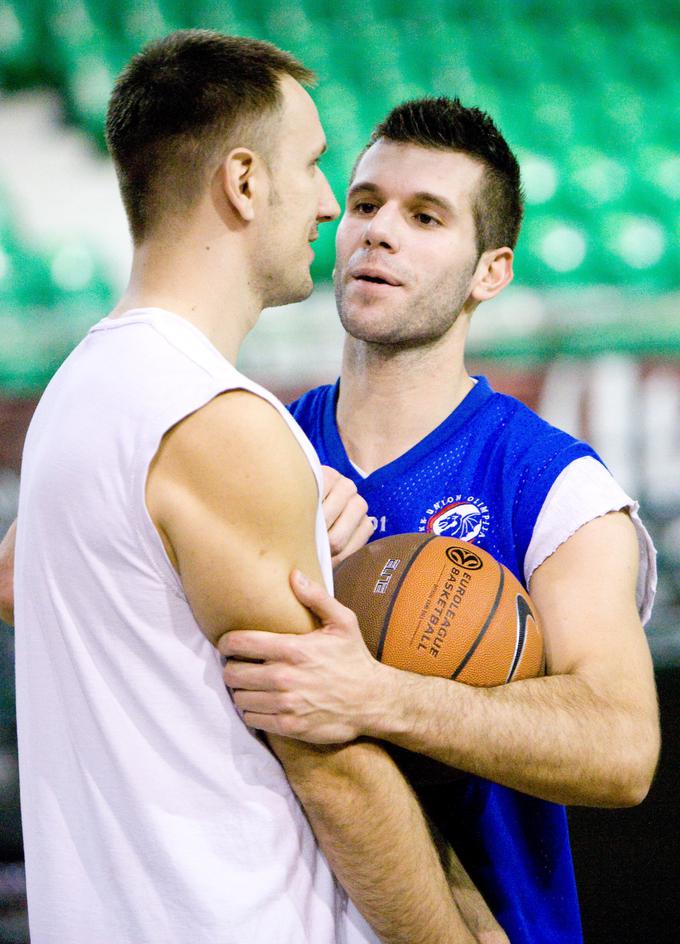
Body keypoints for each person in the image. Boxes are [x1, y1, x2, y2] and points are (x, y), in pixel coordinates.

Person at [6, 36, 506, 944]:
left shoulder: (81, 389)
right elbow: (332, 770)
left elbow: (18, 581)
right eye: (313, 165)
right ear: (242, 182)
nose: (327, 204)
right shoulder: (218, 419)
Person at [218, 97, 661, 943]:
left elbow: (622, 748)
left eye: (426, 217)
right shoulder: (258, 447)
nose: (380, 232)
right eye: (365, 204)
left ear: (490, 272)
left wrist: (377, 696)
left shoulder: (550, 480)